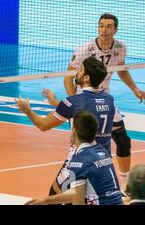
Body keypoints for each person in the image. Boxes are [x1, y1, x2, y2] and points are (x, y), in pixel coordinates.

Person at [44, 13, 144, 194]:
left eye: (108, 26)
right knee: (84, 143)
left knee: (123, 140)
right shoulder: (84, 49)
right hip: (85, 97)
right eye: (101, 26)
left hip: (105, 98)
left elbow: (121, 69)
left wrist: (135, 89)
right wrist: (76, 103)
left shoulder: (120, 48)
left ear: (115, 30)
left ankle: (125, 184)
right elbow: (68, 79)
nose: (104, 30)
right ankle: (75, 180)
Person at [16, 57, 118, 195]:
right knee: (82, 198)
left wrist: (26, 109)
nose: (77, 72)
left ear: (86, 77)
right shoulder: (109, 100)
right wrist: (54, 102)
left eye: (80, 70)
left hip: (81, 159)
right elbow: (84, 110)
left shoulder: (73, 102)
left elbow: (43, 125)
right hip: (104, 161)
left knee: (55, 194)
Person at [25, 110, 123, 205]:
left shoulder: (79, 161)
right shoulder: (102, 151)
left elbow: (78, 202)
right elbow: (77, 194)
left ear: (74, 131)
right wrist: (45, 201)